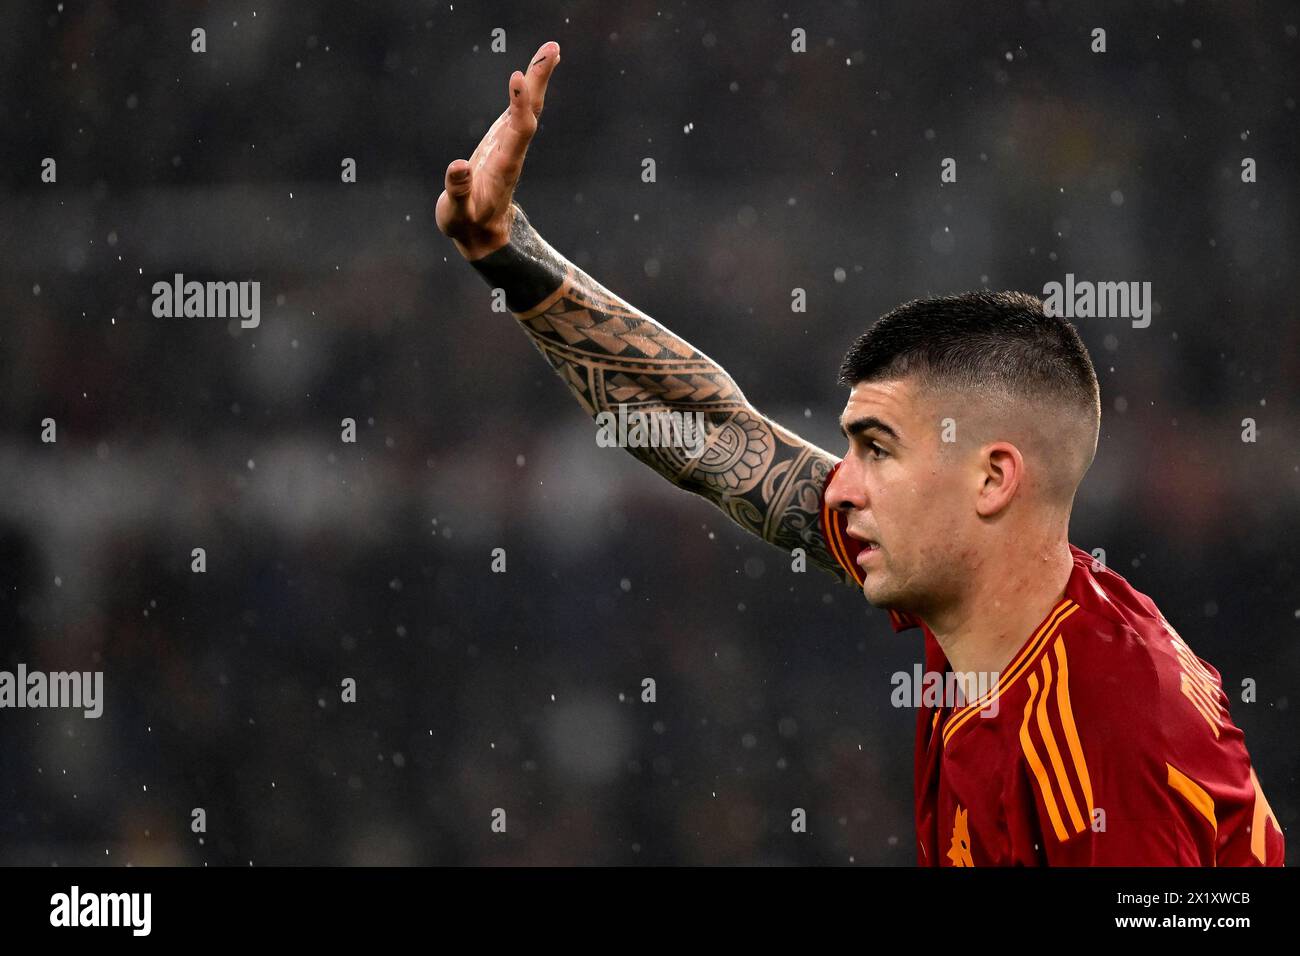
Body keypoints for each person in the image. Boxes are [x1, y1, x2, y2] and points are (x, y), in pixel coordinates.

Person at [436, 41, 1285, 866]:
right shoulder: (993, 605)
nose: (840, 489)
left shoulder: (1105, 727)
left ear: (992, 479)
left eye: (878, 451)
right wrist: (502, 249)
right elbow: (714, 432)